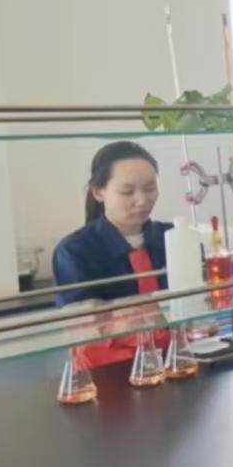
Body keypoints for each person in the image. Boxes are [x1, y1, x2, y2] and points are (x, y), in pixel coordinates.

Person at [53, 141, 174, 366]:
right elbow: (88, 327)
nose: (142, 200)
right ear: (98, 192)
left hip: (176, 360)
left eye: (150, 189)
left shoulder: (172, 237)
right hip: (109, 370)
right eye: (127, 191)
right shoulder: (74, 250)